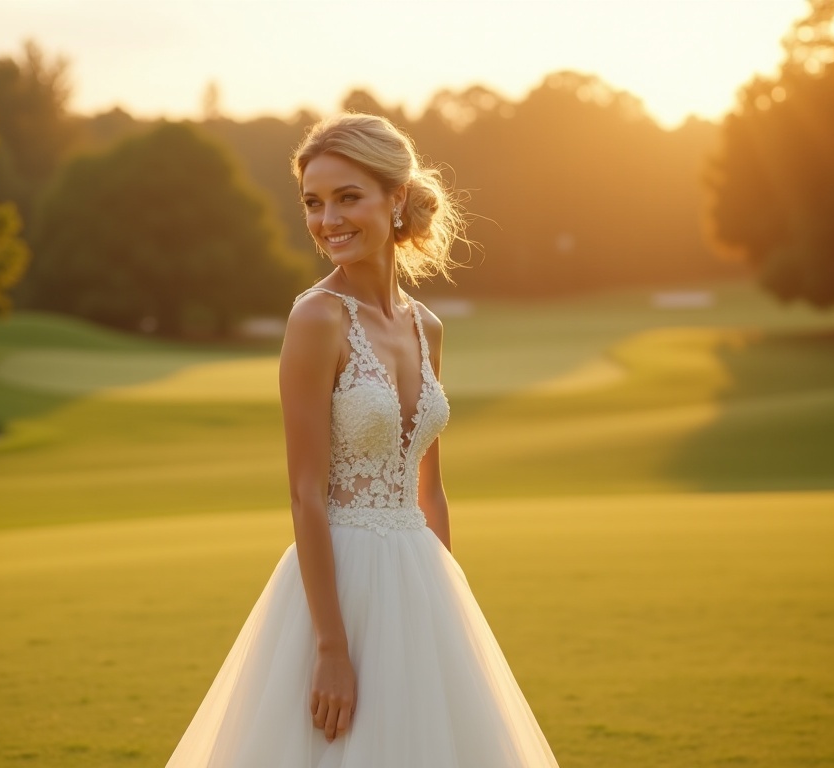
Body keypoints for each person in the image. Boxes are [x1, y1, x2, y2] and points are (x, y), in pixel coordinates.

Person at [164, 113, 560, 767]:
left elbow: (431, 488)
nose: (328, 221)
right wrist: (330, 647)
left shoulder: (427, 327)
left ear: (395, 197)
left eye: (347, 197)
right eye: (313, 203)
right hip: (340, 585)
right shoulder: (316, 318)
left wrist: (449, 611)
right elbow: (305, 493)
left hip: (421, 578)